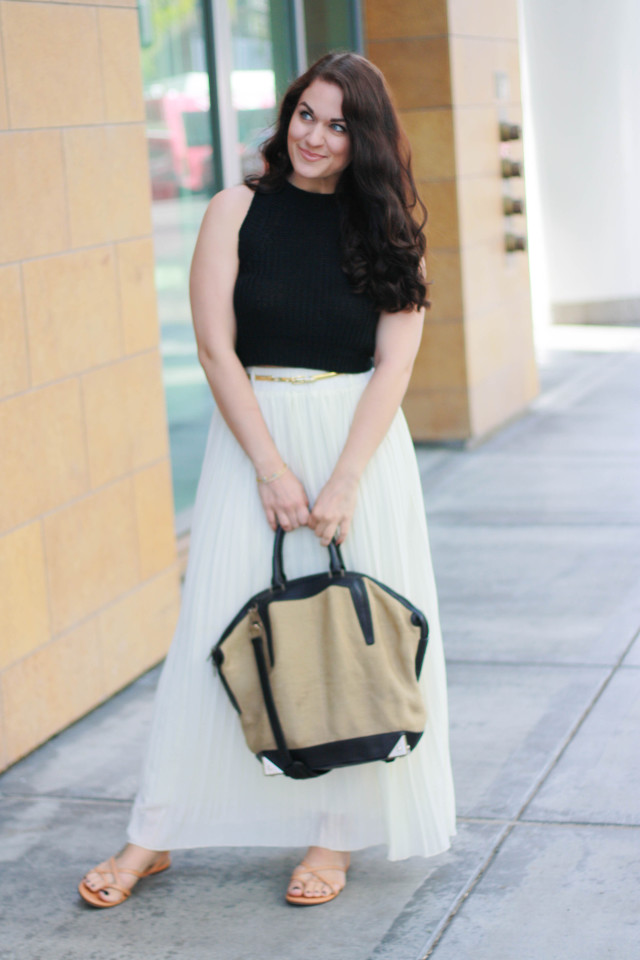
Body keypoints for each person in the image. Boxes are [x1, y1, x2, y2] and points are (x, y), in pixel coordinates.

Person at [79, 51, 456, 909]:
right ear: (286, 116)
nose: (316, 137)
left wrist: (346, 479)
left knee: (352, 645)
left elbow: (395, 366)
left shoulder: (390, 228)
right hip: (254, 441)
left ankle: (336, 833)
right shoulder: (233, 210)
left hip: (359, 448)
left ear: (365, 139)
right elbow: (215, 348)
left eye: (338, 124)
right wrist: (273, 469)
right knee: (216, 633)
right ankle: (157, 829)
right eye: (306, 115)